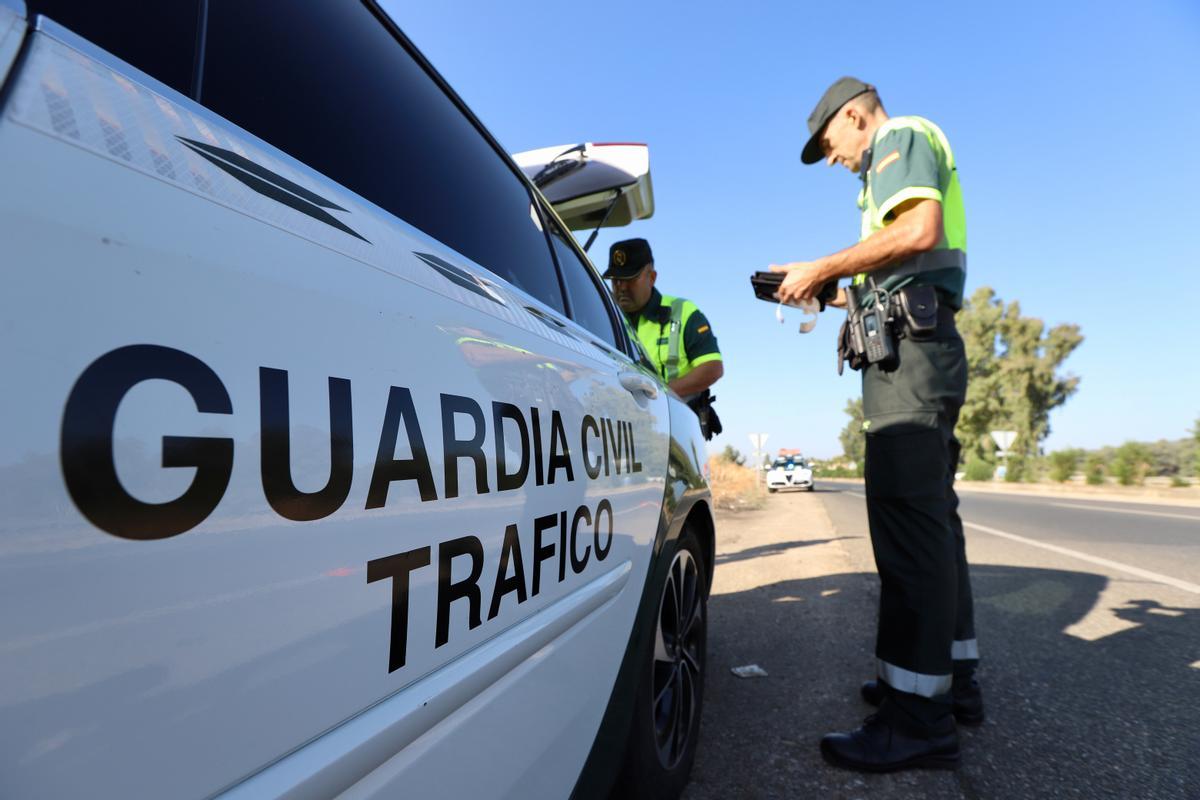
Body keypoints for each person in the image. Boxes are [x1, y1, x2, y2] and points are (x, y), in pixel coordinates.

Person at [770, 77, 982, 772]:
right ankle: (948, 688)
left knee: (908, 533)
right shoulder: (895, 157)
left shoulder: (899, 139)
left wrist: (825, 263)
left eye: (831, 145)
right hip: (920, 345)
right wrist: (823, 286)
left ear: (856, 116)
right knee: (933, 526)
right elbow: (897, 268)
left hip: (911, 361)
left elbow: (918, 230)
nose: (834, 161)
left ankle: (916, 719)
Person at [603, 238, 724, 434]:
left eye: (630, 279)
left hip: (677, 429)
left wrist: (659, 394)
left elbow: (712, 367)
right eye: (616, 280)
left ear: (652, 277)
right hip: (621, 429)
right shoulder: (603, 316)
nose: (621, 287)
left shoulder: (682, 311)